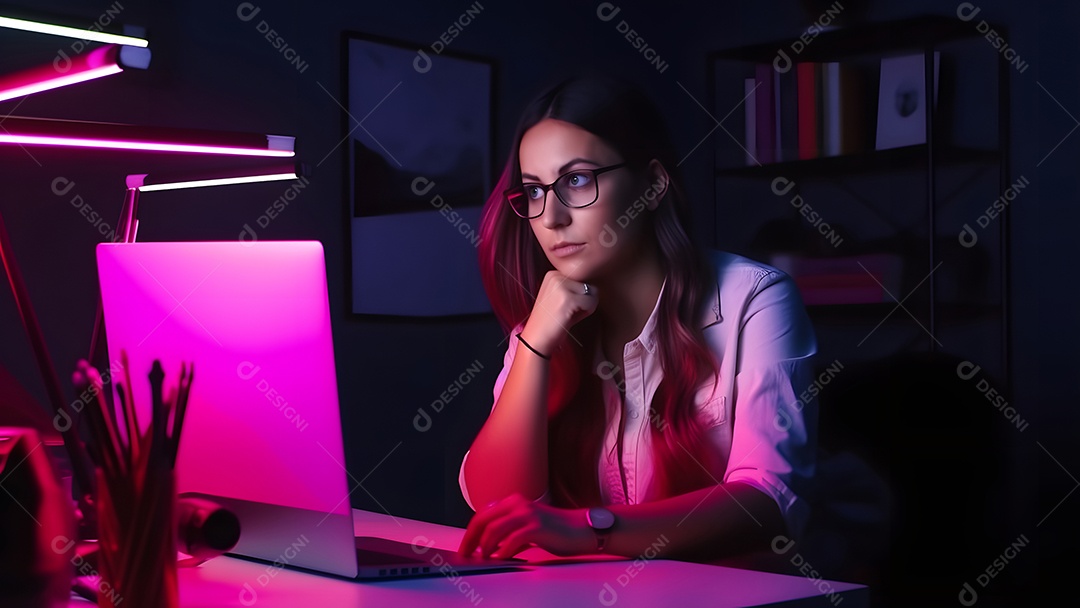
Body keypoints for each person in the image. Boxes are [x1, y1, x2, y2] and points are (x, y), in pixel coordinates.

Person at [456, 75, 818, 563]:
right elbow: (496, 506)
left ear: (652, 184)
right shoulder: (542, 325)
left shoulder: (754, 299)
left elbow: (770, 501)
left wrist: (589, 530)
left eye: (576, 180)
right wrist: (536, 346)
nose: (552, 217)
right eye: (535, 192)